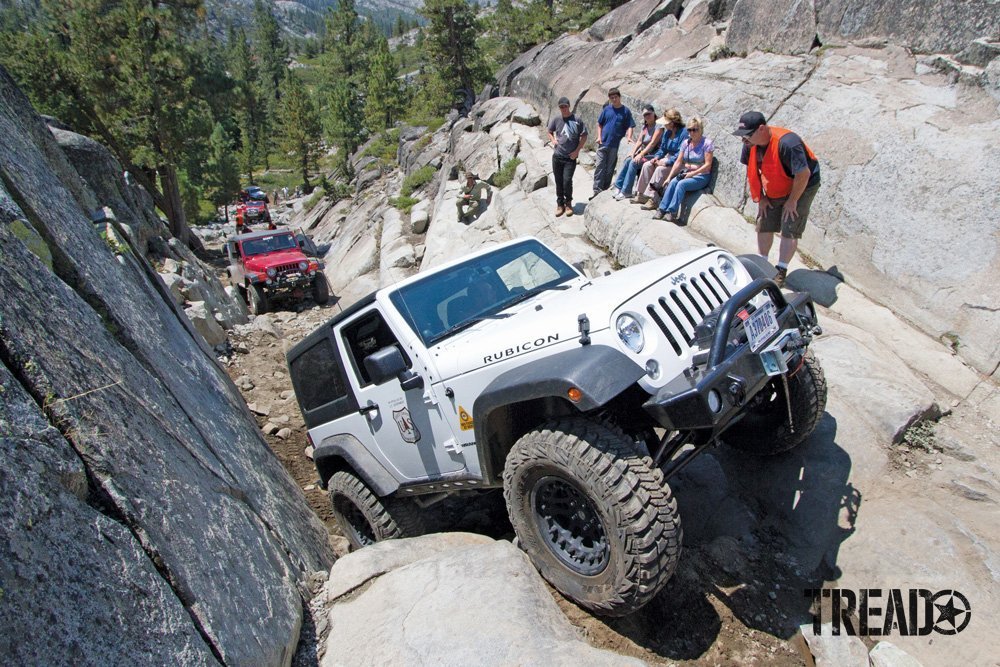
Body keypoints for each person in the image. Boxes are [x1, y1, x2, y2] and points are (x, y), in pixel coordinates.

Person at [734, 111, 821, 288]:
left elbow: (803, 174)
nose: (744, 140)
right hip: (777, 182)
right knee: (764, 222)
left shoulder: (788, 143)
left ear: (761, 129)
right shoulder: (750, 144)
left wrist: (792, 200)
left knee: (790, 223)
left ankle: (781, 270)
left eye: (747, 135)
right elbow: (752, 171)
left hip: (802, 185)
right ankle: (762, 264)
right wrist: (762, 198)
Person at [652, 116, 714, 222]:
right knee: (672, 182)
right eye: (689, 130)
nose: (692, 132)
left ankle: (672, 211)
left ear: (700, 129)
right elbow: (678, 161)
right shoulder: (686, 143)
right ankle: (662, 209)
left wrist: (693, 173)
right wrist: (669, 177)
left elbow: (708, 164)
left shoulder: (707, 143)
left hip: (701, 175)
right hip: (687, 172)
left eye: (695, 129)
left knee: (681, 184)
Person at [635, 108, 688, 206]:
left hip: (678, 162)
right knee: (647, 165)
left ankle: (654, 199)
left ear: (672, 123)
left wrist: (666, 162)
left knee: (660, 169)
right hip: (668, 157)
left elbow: (680, 154)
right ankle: (641, 194)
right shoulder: (667, 133)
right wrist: (657, 157)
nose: (664, 125)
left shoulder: (684, 133)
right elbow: (663, 149)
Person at [610, 105, 663, 201]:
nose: (647, 116)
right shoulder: (645, 126)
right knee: (628, 160)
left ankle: (626, 191)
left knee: (634, 163)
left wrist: (640, 154)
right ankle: (618, 186)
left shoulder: (659, 126)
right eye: (645, 115)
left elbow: (652, 143)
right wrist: (633, 152)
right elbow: (639, 141)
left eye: (649, 114)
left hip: (654, 154)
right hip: (645, 153)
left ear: (653, 113)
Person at [547, 96, 588, 218]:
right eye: (561, 107)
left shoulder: (577, 120)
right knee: (558, 182)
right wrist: (553, 140)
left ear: (569, 106)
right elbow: (549, 131)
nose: (563, 109)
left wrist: (577, 151)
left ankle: (568, 203)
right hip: (558, 156)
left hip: (570, 158)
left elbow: (584, 135)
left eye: (565, 106)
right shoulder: (557, 119)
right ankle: (560, 205)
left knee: (567, 181)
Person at [591, 88, 635, 199]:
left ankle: (604, 190)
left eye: (616, 97)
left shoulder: (625, 111)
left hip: (615, 145)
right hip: (603, 143)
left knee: (609, 169)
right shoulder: (607, 110)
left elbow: (630, 125)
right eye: (612, 98)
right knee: (599, 167)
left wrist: (629, 137)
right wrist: (599, 136)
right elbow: (599, 124)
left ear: (619, 97)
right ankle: (596, 191)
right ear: (609, 99)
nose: (614, 99)